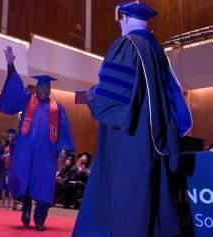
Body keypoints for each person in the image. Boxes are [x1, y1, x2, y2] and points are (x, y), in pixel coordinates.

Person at [72, 1, 192, 237]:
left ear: (125, 18)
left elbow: (112, 98)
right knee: (151, 202)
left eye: (120, 22)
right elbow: (175, 102)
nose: (119, 27)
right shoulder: (159, 53)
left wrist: (91, 95)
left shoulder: (126, 45)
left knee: (127, 204)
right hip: (155, 143)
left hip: (129, 140)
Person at [0, 46, 74, 231]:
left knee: (44, 184)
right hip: (26, 150)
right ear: (36, 88)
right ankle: (27, 207)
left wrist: (63, 149)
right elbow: (14, 89)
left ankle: (40, 219)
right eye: (41, 88)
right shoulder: (27, 100)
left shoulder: (58, 108)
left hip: (46, 153)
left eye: (47, 88)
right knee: (24, 179)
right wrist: (10, 66)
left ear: (50, 89)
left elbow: (63, 128)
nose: (44, 91)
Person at [0, 128, 18, 209]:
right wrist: (3, 156)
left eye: (12, 136)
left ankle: (10, 203)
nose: (10, 138)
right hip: (4, 168)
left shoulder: (17, 147)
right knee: (3, 187)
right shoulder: (3, 146)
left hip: (12, 169)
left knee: (11, 187)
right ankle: (3, 202)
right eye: (9, 136)